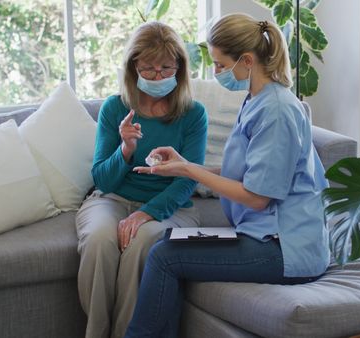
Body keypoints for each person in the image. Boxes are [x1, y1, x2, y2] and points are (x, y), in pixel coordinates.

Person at [124, 13, 330, 337]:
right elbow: (248, 173)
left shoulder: (276, 111)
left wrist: (189, 170)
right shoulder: (256, 99)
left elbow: (258, 197)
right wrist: (184, 162)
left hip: (285, 249)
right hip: (264, 236)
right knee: (168, 245)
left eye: (220, 65)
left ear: (246, 60)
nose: (216, 72)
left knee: (164, 257)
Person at [75, 21, 207, 338]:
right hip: (112, 199)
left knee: (142, 243)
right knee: (99, 241)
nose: (158, 76)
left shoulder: (193, 114)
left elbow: (188, 179)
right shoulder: (114, 108)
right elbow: (102, 180)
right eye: (148, 69)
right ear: (133, 68)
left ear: (180, 68)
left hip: (170, 207)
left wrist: (145, 213)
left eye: (166, 68)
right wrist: (126, 149)